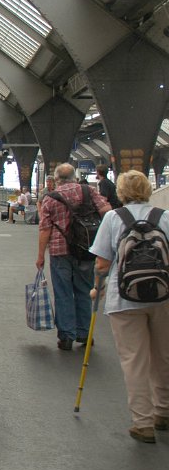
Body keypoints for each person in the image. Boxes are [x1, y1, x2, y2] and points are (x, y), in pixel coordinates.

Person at [89, 170, 169, 443]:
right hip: (163, 296)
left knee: (135, 361)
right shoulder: (164, 217)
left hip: (124, 299)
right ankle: (164, 411)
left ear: (120, 193)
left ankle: (143, 423)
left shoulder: (113, 218)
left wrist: (96, 290)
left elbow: (101, 264)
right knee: (164, 356)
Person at [37, 163, 111, 350]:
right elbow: (107, 212)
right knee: (84, 290)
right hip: (86, 249)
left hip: (59, 252)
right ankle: (85, 334)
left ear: (55, 180)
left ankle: (66, 336)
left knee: (63, 293)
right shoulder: (88, 191)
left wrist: (40, 256)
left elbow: (45, 229)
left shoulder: (50, 198)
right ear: (74, 177)